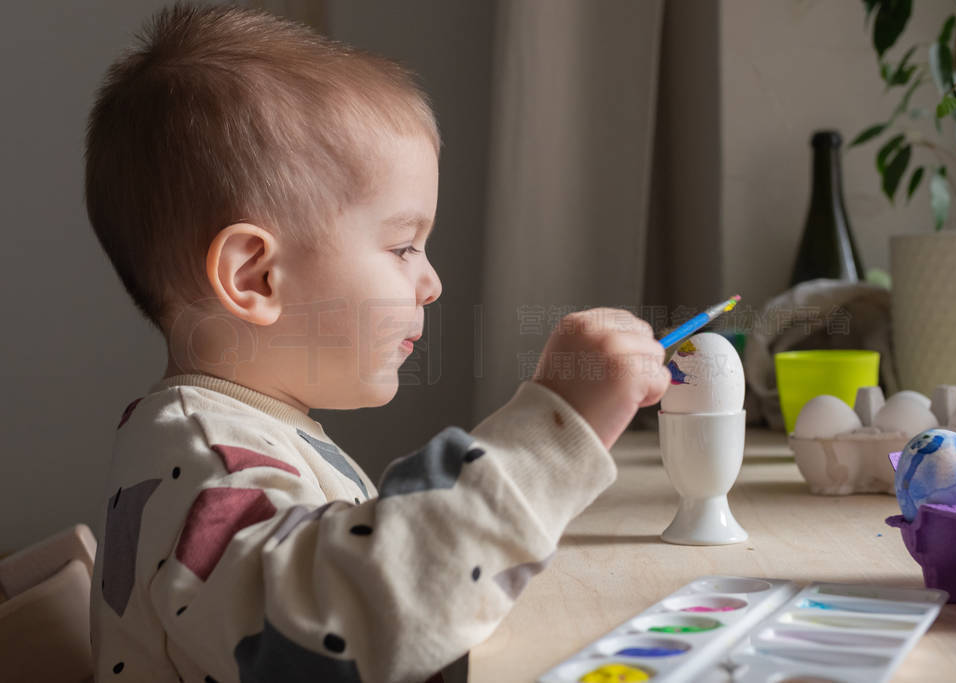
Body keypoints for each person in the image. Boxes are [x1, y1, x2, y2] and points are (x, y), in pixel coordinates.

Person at [85, 4, 670, 682]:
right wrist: (550, 434)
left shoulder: (223, 432)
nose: (432, 282)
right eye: (403, 246)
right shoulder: (206, 462)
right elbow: (347, 621)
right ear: (257, 276)